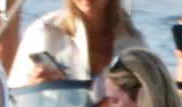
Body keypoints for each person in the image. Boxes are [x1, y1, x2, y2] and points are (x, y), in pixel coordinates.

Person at [8, 0, 144, 88]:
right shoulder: (43, 32)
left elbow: (149, 104)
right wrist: (32, 85)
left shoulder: (133, 43)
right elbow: (12, 101)